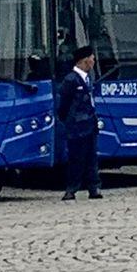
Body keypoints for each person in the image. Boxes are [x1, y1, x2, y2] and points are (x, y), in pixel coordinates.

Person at [58, 45, 103, 200]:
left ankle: (94, 187)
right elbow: (63, 105)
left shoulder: (87, 78)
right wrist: (70, 120)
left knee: (92, 158)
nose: (94, 60)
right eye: (92, 57)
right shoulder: (71, 79)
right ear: (84, 60)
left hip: (89, 124)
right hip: (76, 126)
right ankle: (72, 189)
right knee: (76, 158)